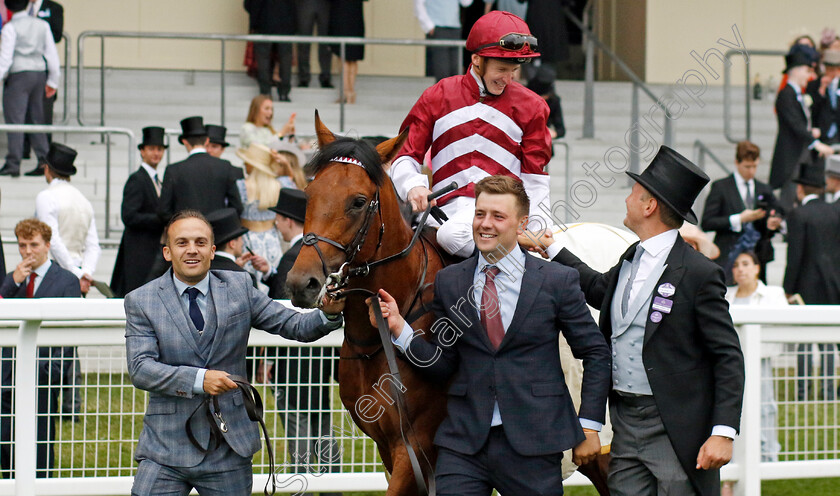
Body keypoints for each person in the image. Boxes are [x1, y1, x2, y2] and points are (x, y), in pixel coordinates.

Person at [369, 175, 610, 495]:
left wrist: (590, 425)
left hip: (535, 446)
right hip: (463, 446)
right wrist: (401, 329)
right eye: (480, 214)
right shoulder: (451, 282)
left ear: (522, 223)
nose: (485, 224)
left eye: (498, 216)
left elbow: (596, 352)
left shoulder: (557, 280)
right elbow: (442, 364)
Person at [543, 146, 745, 496]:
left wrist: (723, 432)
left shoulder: (700, 273)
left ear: (649, 206)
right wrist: (550, 248)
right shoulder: (630, 257)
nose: (626, 200)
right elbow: (597, 288)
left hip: (676, 427)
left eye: (633, 194)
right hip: (625, 420)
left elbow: (728, 356)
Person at [124, 210, 345, 495]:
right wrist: (198, 379)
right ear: (167, 252)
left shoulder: (240, 287)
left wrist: (326, 314)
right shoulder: (141, 300)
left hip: (229, 447)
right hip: (165, 449)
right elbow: (141, 369)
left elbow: (294, 325)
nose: (192, 250)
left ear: (213, 250)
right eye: (182, 243)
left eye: (201, 242)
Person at [391, 10, 552, 257]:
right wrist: (413, 186)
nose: (508, 79)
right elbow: (404, 156)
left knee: (451, 235)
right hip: (439, 215)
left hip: (499, 217)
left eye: (514, 71)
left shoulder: (533, 106)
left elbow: (535, 178)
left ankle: (515, 249)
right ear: (477, 60)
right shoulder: (437, 95)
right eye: (502, 69)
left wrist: (538, 227)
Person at [249, 189, 342, 492]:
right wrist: (272, 271)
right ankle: (333, 482)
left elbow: (279, 313)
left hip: (294, 360)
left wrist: (266, 359)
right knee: (322, 425)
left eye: (278, 219)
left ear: (289, 221)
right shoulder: (310, 255)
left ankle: (302, 482)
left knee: (299, 429)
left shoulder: (295, 256)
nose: (276, 224)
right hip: (319, 360)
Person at [0, 218, 80, 478]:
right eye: (22, 245)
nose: (27, 252)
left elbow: (70, 332)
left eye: (33, 245)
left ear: (47, 245)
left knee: (40, 435)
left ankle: (42, 483)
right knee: (5, 435)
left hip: (44, 372)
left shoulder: (66, 280)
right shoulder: (13, 278)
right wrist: (13, 281)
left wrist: (54, 371)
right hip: (7, 372)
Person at [34, 142, 93, 419]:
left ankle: (56, 398)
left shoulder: (47, 197)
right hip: (78, 271)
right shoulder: (83, 199)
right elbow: (93, 244)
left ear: (47, 168)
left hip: (57, 269)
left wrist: (70, 272)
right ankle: (72, 405)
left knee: (49, 337)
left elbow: (51, 239)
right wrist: (84, 273)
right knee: (69, 339)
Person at [782, 163, 840, 401]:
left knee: (804, 339)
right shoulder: (835, 212)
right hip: (833, 283)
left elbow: (795, 256)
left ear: (800, 189)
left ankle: (804, 392)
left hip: (806, 284)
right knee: (827, 340)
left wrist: (788, 289)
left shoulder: (798, 214)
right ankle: (827, 392)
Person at [725, 251, 785, 463]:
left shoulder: (773, 294)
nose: (740, 269)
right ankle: (734, 459)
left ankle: (768, 455)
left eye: (746, 264)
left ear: (757, 268)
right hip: (731, 363)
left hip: (760, 360)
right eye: (736, 265)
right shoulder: (726, 295)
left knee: (765, 406)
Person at [701, 141, 783, 284]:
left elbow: (778, 213)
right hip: (728, 255)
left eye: (755, 166)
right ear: (736, 162)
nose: (751, 171)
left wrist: (772, 222)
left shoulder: (764, 189)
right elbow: (707, 222)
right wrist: (739, 219)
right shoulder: (721, 187)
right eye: (747, 166)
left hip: (757, 256)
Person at [769, 45, 834, 212]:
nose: (810, 75)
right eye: (806, 70)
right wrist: (816, 143)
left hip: (802, 154)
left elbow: (802, 123)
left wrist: (812, 131)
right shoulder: (786, 95)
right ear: (796, 70)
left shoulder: (798, 95)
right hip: (792, 156)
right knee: (789, 198)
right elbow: (795, 125)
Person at [0, 0, 60, 178]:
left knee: (15, 120)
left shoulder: (11, 27)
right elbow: (51, 55)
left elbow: (6, 58)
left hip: (19, 75)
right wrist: (53, 81)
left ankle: (13, 162)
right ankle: (44, 161)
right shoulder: (42, 25)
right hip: (39, 74)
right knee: (37, 119)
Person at [111, 127, 167, 297]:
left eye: (159, 149)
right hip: (138, 250)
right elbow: (128, 215)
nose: (156, 153)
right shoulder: (137, 179)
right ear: (142, 151)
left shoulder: (158, 181)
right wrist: (160, 220)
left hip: (151, 248)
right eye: (151, 149)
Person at [158, 116, 244, 221]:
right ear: (207, 141)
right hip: (217, 233)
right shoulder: (224, 166)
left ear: (185, 142)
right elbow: (237, 207)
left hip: (187, 233)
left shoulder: (174, 170)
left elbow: (164, 211)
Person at [235, 142, 289, 284]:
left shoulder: (241, 186)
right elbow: (295, 186)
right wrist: (285, 164)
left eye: (247, 162)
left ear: (253, 165)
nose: (244, 165)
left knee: (250, 281)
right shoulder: (280, 185)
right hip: (272, 239)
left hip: (248, 240)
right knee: (272, 277)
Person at [21, 0, 63, 176]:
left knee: (43, 115)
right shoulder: (18, 6)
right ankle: (22, 151)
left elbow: (57, 35)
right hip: (21, 69)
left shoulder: (54, 8)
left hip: (44, 69)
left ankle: (45, 162)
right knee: (20, 112)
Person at [243, 0, 296, 101]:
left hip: (263, 23)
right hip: (285, 23)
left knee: (263, 59)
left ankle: (265, 92)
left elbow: (249, 4)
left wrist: (254, 22)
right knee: (285, 59)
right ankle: (284, 93)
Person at [413, 0, 474, 82]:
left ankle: (454, 94)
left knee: (455, 70)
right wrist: (429, 26)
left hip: (455, 28)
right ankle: (441, 94)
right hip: (438, 28)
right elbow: (419, 5)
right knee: (442, 70)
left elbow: (466, 3)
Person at [328, 0, 365, 104]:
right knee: (352, 57)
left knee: (344, 56)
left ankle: (346, 93)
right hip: (354, 16)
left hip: (342, 15)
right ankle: (350, 92)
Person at [294, 0, 333, 88]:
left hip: (325, 4)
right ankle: (303, 78)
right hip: (304, 4)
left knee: (326, 42)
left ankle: (326, 77)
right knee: (303, 42)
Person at [205, 207, 251, 274]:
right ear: (232, 244)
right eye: (241, 239)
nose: (242, 243)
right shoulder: (245, 277)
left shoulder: (202, 272)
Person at [527, 65, 566, 139]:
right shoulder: (524, 99)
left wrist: (553, 133)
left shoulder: (553, 101)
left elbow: (560, 129)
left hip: (543, 140)